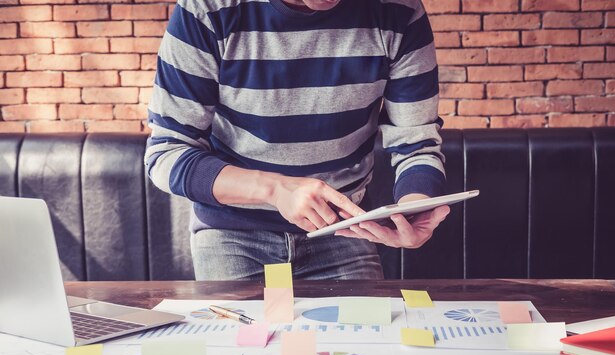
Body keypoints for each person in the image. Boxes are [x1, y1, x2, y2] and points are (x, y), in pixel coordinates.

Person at [145, 0, 450, 281]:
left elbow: (416, 141)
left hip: (345, 231)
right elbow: (167, 153)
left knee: (364, 341)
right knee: (243, 342)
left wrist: (416, 206)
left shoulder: (400, 11)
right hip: (232, 235)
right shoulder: (206, 9)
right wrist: (276, 189)